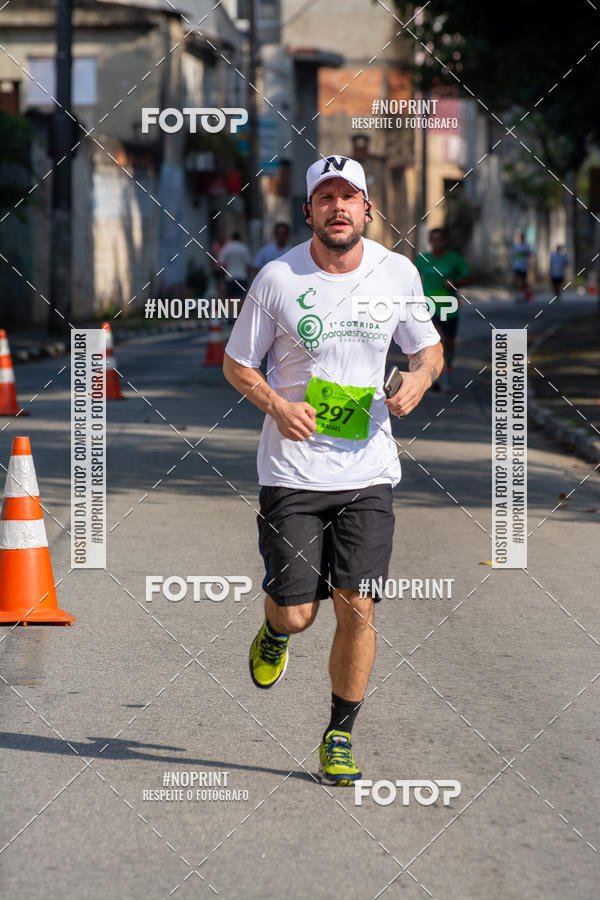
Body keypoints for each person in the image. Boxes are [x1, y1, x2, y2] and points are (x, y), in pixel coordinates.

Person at [223, 155, 443, 786]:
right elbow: (239, 364)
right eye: (327, 198)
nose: (339, 208)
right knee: (298, 613)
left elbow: (427, 348)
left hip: (369, 470)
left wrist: (421, 380)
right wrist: (276, 404)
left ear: (367, 210)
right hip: (292, 472)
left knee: (359, 606)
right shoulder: (277, 279)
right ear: (309, 211)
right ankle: (275, 629)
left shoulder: (395, 272)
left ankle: (339, 734)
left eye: (350, 197)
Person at [415, 227, 470, 392]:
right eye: (433, 240)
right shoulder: (422, 259)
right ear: (430, 241)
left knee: (450, 344)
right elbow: (412, 280)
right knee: (436, 341)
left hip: (449, 308)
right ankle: (437, 377)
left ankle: (448, 368)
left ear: (445, 241)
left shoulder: (454, 260)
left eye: (440, 239)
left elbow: (468, 277)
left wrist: (456, 282)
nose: (436, 243)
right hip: (429, 308)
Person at [218, 232, 252, 298]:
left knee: (231, 299)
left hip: (229, 277)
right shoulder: (244, 248)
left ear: (231, 239)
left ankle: (232, 308)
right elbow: (248, 266)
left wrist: (221, 279)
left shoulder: (226, 248)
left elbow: (222, 264)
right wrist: (249, 279)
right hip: (242, 277)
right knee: (240, 298)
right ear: (240, 239)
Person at [512, 231, 533, 302]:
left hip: (524, 266)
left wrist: (530, 266)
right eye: (519, 237)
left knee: (523, 282)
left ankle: (523, 295)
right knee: (518, 281)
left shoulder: (526, 246)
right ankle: (518, 296)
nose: (520, 239)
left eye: (521, 238)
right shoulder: (516, 246)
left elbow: (530, 255)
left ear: (524, 238)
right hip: (517, 266)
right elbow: (513, 255)